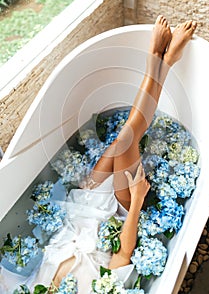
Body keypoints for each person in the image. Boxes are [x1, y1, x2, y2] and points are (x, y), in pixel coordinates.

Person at [0, 16, 197, 293]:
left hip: (84, 200)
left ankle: (161, 63)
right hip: (118, 213)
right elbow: (123, 256)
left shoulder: (33, 287)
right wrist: (138, 199)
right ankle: (159, 62)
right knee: (126, 140)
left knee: (121, 140)